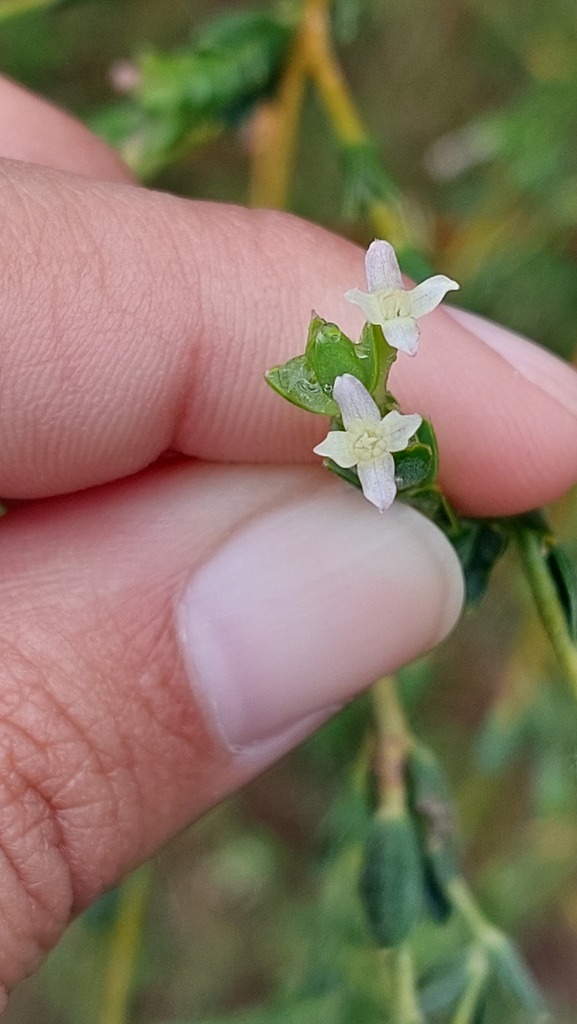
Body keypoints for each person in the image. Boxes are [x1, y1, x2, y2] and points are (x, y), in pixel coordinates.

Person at [0, 73, 575, 1007]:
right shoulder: (360, 409)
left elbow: (376, 440)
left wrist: (375, 441)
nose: (393, 306)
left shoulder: (383, 393)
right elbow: (360, 432)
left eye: (399, 303)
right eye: (386, 304)